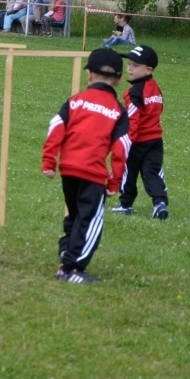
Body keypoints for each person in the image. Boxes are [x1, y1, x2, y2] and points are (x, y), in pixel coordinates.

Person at [41, 48, 130, 284]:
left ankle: (66, 250)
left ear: (89, 75)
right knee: (90, 221)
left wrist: (49, 160)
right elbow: (122, 147)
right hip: (92, 174)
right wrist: (114, 181)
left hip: (68, 170)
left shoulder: (75, 101)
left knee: (76, 214)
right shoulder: (118, 111)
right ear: (119, 80)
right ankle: (72, 269)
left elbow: (56, 127)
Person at [110, 45, 169, 220]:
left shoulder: (133, 92)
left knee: (129, 171)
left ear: (149, 69)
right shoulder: (155, 87)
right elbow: (159, 108)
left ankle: (125, 204)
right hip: (155, 140)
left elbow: (132, 119)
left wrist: (128, 140)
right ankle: (160, 202)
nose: (129, 69)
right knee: (153, 172)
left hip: (137, 141)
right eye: (129, 64)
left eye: (135, 65)